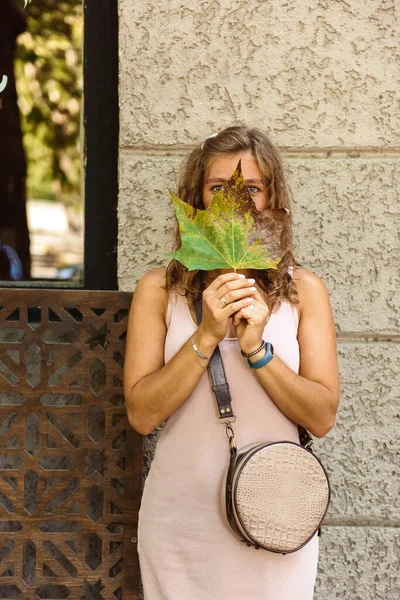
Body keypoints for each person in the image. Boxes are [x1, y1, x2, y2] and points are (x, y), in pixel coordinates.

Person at [124, 125, 340, 600]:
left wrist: (257, 350)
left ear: (272, 200)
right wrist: (205, 337)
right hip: (181, 522)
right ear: (197, 200)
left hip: (276, 515)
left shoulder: (305, 292)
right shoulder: (159, 291)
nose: (235, 200)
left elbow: (321, 417)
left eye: (253, 188)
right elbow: (141, 414)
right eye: (218, 187)